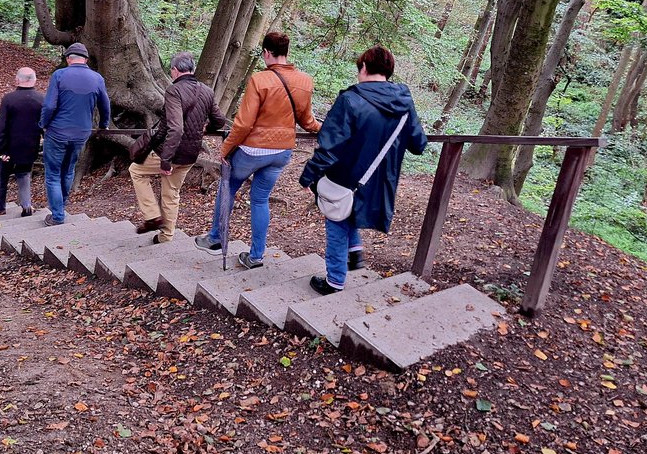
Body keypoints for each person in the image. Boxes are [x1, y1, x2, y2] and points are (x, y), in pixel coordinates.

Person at [298, 45, 427, 294]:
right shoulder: (404, 102)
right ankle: (355, 253)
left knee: (336, 220)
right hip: (380, 180)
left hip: (346, 174)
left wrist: (308, 176)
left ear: (364, 68)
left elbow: (329, 146)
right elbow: (419, 144)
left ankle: (334, 281)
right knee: (349, 209)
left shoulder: (350, 99)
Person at [195, 31, 321, 269]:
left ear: (266, 53)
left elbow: (243, 123)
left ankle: (215, 238)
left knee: (228, 187)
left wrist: (226, 147)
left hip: (253, 150)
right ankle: (256, 256)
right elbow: (307, 121)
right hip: (282, 152)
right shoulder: (305, 81)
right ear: (286, 53)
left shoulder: (260, 80)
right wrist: (324, 128)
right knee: (260, 199)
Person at [130, 52, 229, 244]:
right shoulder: (206, 91)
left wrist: (166, 159)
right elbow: (220, 120)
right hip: (191, 154)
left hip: (169, 153)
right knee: (171, 193)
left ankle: (152, 216)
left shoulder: (174, 91)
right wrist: (207, 128)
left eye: (171, 71)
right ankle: (165, 236)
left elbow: (176, 128)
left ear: (175, 70)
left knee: (136, 171)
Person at [39, 42, 111, 226]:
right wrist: (103, 125)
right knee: (69, 169)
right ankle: (61, 206)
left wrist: (43, 123)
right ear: (85, 60)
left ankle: (57, 216)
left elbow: (49, 105)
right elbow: (105, 105)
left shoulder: (60, 75)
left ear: (68, 59)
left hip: (57, 131)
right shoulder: (97, 78)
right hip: (82, 133)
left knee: (53, 174)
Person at [0, 67, 44, 218]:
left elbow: (1, 127)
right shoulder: (41, 99)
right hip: (30, 146)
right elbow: (44, 126)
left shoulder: (8, 99)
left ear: (17, 80)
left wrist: (0, 149)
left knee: (2, 178)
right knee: (24, 175)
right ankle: (26, 205)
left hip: (8, 147)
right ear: (34, 80)